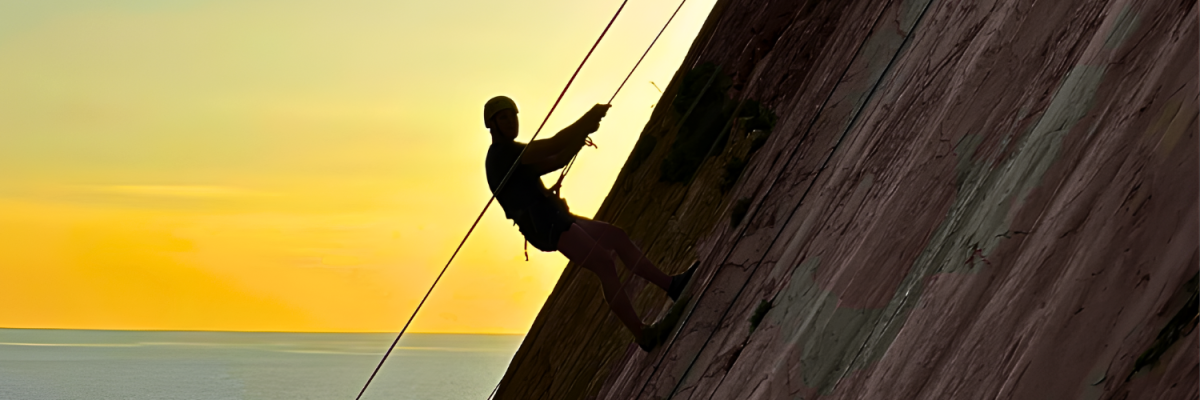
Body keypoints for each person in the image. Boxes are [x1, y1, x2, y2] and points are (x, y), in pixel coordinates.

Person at [482, 95, 695, 351]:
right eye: (504, 117)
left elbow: (556, 159)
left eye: (513, 115)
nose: (511, 121)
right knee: (604, 263)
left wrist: (580, 136)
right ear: (491, 124)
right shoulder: (502, 155)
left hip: (553, 217)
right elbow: (553, 145)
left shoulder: (513, 154)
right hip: (546, 224)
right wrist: (587, 119)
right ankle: (642, 334)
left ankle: (671, 285)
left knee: (616, 236)